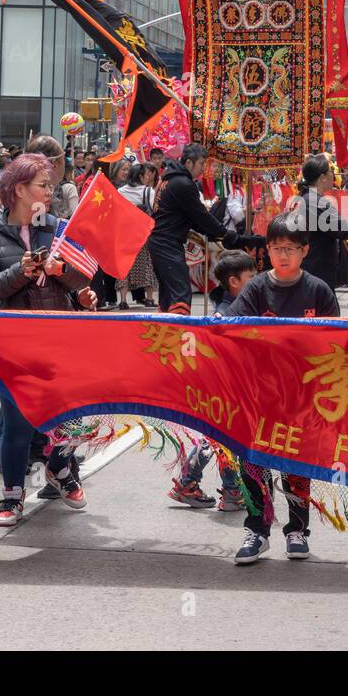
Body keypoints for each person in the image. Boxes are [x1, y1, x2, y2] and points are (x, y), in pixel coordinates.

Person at [0, 153, 96, 527]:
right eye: (43, 186)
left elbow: (84, 281)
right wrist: (21, 270)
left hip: (60, 338)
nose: (50, 192)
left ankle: (61, 468)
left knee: (67, 417)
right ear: (18, 190)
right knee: (16, 422)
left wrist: (62, 271)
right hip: (15, 344)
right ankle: (12, 495)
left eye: (49, 186)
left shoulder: (59, 228)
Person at [228, 214, 341, 564]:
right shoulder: (257, 288)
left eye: (291, 248)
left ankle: (296, 530)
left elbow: (337, 340)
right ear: (268, 251)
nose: (283, 255)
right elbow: (233, 330)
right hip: (260, 394)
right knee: (253, 463)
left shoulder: (319, 290)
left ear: (304, 251)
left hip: (302, 396)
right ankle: (257, 530)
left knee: (296, 466)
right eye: (277, 248)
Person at [165, 250, 258, 511]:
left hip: (231, 383)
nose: (258, 280)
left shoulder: (237, 305)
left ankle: (188, 482)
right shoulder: (227, 312)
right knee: (228, 437)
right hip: (227, 385)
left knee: (217, 437)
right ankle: (230, 492)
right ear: (234, 282)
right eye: (252, 276)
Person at [146, 144, 238, 316]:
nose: (204, 168)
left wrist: (213, 233)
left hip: (161, 241)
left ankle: (164, 333)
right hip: (166, 242)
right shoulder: (183, 183)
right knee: (180, 292)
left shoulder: (168, 179)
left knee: (168, 293)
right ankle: (178, 333)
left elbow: (192, 219)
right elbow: (201, 216)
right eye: (202, 164)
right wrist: (224, 233)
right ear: (189, 162)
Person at [293, 153, 348, 290]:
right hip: (317, 269)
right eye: (331, 172)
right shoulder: (315, 202)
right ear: (323, 177)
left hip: (313, 266)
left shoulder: (307, 197)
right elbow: (341, 229)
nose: (334, 176)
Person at [117, 161, 159, 307]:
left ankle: (122, 300)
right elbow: (156, 210)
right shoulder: (148, 192)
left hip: (124, 234)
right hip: (143, 234)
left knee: (124, 267)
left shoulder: (120, 191)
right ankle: (149, 298)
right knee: (147, 265)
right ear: (140, 176)